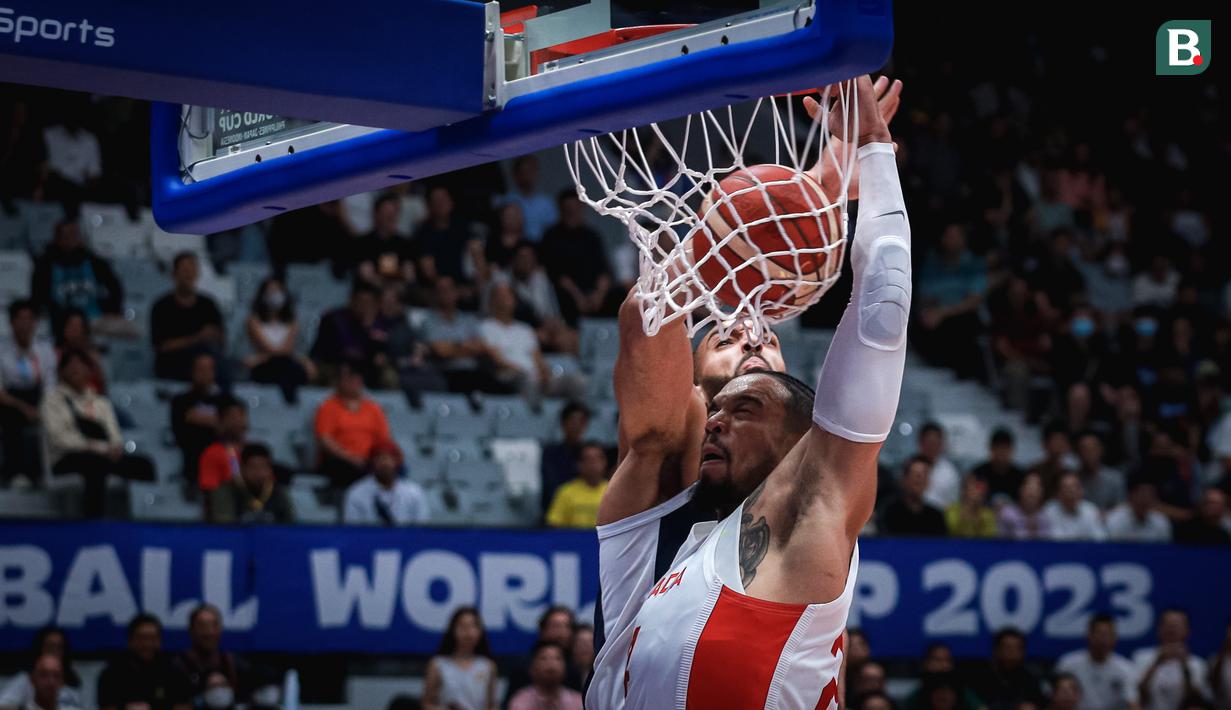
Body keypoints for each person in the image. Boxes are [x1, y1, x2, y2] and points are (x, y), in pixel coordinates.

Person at [588, 74, 907, 708]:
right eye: (726, 341)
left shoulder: (815, 490)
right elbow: (646, 321)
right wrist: (799, 204)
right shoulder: (668, 461)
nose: (751, 333)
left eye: (765, 344)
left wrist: (835, 182)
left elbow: (880, 319)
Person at [41, 349, 155, 516]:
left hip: (103, 456)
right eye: (71, 367)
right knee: (95, 466)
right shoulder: (52, 401)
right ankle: (94, 525)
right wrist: (102, 449)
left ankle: (143, 520)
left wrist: (116, 447)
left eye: (80, 367)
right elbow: (61, 440)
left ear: (89, 371)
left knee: (144, 465)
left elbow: (114, 434)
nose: (76, 371)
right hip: (66, 459)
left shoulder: (100, 402)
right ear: (62, 371)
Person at [479, 282, 585, 401]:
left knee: (577, 381)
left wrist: (544, 372)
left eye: (508, 295)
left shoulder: (525, 329)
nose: (505, 300)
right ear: (492, 301)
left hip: (535, 377)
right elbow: (495, 359)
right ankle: (533, 416)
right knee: (528, 380)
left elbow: (537, 357)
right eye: (501, 296)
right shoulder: (486, 327)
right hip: (508, 376)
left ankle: (574, 417)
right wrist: (523, 371)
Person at [29, 220, 124, 332]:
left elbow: (115, 289)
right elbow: (37, 298)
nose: (70, 240)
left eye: (74, 235)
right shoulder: (44, 266)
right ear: (57, 239)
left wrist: (112, 311)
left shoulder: (96, 263)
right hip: (59, 322)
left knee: (131, 330)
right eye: (66, 236)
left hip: (94, 318)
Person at [0, 300, 56, 486]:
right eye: (20, 319)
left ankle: (43, 473)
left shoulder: (45, 350)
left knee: (54, 413)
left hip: (38, 397)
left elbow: (49, 385)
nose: (25, 324)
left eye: (29, 319)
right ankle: (14, 471)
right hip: (11, 400)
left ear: (35, 323)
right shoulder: (2, 352)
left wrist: (42, 407)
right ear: (11, 322)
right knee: (10, 417)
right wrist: (24, 408)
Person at [539, 190, 616, 325]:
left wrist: (599, 295)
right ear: (560, 210)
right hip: (567, 294)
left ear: (581, 209)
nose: (571, 214)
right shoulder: (551, 237)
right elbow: (557, 274)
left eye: (575, 210)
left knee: (619, 294)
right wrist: (578, 297)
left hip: (593, 294)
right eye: (567, 210)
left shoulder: (592, 236)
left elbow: (604, 270)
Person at [314, 360, 393, 487]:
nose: (353, 381)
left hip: (369, 460)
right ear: (339, 381)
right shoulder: (328, 406)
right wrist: (349, 457)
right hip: (339, 460)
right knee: (352, 470)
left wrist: (380, 459)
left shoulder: (373, 408)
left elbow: (384, 439)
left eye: (356, 376)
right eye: (348, 377)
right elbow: (324, 439)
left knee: (393, 468)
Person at [421, 276, 504, 394]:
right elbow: (441, 351)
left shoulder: (469, 320)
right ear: (435, 295)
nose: (446, 294)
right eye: (441, 290)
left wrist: (453, 347)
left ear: (456, 292)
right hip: (445, 373)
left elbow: (481, 347)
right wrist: (467, 346)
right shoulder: (428, 321)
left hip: (473, 372)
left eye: (449, 289)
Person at [150, 252, 225, 382]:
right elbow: (162, 347)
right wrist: (197, 338)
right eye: (185, 270)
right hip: (174, 363)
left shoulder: (208, 305)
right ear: (174, 274)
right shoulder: (162, 307)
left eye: (192, 270)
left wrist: (212, 336)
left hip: (207, 359)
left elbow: (221, 339)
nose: (188, 275)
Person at [97, 613, 192, 710]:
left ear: (160, 641)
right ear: (130, 641)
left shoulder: (174, 671)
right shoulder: (112, 673)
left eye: (152, 638)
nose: (147, 644)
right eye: (141, 638)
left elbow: (183, 706)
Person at [245, 277, 315, 403]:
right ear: (262, 295)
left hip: (282, 362)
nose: (274, 295)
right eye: (270, 291)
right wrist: (270, 356)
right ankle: (291, 399)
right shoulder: (253, 321)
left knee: (286, 365)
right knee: (283, 365)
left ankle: (289, 398)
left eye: (278, 291)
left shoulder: (293, 322)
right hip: (265, 366)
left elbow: (286, 349)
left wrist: (266, 356)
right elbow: (270, 348)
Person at [414, 185, 486, 298]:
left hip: (465, 284)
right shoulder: (423, 233)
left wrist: (478, 282)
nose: (441, 204)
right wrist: (450, 289)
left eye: (444, 199)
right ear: (429, 206)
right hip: (438, 288)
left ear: (451, 202)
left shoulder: (463, 226)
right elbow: (428, 270)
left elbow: (477, 254)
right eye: (436, 201)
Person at [1055, 614, 1139, 710]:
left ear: (1115, 638)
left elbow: (1133, 703)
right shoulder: (1068, 664)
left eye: (1109, 635)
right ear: (1089, 635)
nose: (1104, 640)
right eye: (1101, 634)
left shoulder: (1126, 669)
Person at [1133, 610, 1212, 710]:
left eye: (1177, 625)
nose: (1172, 629)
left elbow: (1196, 702)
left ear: (1187, 630)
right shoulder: (1141, 657)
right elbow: (1137, 696)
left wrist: (1185, 667)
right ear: (1159, 629)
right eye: (1168, 625)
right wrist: (1156, 662)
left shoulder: (1197, 664)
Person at [422, 607, 497, 710]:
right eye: (463, 626)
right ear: (453, 630)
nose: (468, 632)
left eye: (473, 626)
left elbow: (491, 705)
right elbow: (426, 704)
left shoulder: (488, 666)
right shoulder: (438, 665)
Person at [172, 604, 251, 702]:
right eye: (202, 626)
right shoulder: (178, 667)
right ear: (191, 630)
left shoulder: (235, 665)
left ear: (221, 629)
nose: (209, 632)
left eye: (214, 625)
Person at [342, 440, 431, 525]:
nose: (384, 463)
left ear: (397, 462)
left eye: (389, 458)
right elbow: (353, 531)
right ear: (372, 462)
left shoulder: (414, 492)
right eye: (379, 458)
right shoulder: (356, 492)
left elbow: (422, 530)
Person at [170, 352, 225, 486]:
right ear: (192, 372)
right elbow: (180, 428)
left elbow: (230, 426)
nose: (205, 373)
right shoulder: (180, 401)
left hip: (220, 453)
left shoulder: (225, 400)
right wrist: (214, 421)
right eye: (201, 369)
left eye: (209, 369)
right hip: (192, 454)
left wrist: (197, 418)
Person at [505, 606, 580, 704]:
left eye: (566, 626)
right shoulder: (522, 668)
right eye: (556, 626)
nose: (562, 632)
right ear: (543, 630)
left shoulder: (575, 669)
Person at [310, 281, 379, 385]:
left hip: (362, 368)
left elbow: (373, 354)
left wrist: (367, 330)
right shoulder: (332, 318)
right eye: (362, 301)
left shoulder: (375, 323)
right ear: (352, 300)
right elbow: (322, 350)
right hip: (333, 365)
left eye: (368, 303)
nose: (364, 306)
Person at [0, 627, 83, 710]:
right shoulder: (25, 679)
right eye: (50, 646)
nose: (54, 651)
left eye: (59, 647)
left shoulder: (73, 683)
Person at [208, 444, 294, 524]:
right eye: (254, 468)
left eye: (264, 467)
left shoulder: (279, 492)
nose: (259, 474)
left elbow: (291, 526)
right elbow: (224, 527)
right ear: (242, 469)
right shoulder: (225, 491)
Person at [969, 628, 1046, 710]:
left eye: (1018, 649)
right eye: (1008, 649)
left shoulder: (1030, 680)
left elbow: (1042, 703)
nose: (1013, 654)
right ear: (996, 650)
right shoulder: (980, 677)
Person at [196, 397, 248, 513]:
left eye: (241, 415)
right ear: (220, 421)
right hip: (226, 507)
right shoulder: (212, 453)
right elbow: (210, 490)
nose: (238, 421)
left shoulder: (255, 452)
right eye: (232, 417)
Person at [540, 402, 591, 517]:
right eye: (573, 421)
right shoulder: (551, 453)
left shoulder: (591, 452)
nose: (576, 426)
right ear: (563, 423)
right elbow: (551, 488)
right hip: (559, 510)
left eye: (581, 422)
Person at [356, 193, 417, 288]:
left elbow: (409, 276)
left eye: (394, 213)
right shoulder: (363, 243)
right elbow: (366, 276)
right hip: (372, 293)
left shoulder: (405, 243)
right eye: (386, 213)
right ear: (376, 214)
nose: (391, 217)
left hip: (399, 293)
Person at [545, 443, 609, 529]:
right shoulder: (566, 491)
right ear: (579, 464)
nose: (593, 464)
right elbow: (554, 524)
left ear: (605, 462)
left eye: (597, 459)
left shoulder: (613, 491)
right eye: (588, 459)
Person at [881, 456, 949, 536]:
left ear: (928, 482)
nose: (919, 479)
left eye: (924, 475)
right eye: (915, 475)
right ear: (904, 479)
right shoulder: (888, 512)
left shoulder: (936, 517)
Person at [508, 642, 583, 710]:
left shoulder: (578, 702)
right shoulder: (521, 701)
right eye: (544, 658)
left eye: (557, 658)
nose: (551, 664)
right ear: (533, 668)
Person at [503, 155, 558, 243]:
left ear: (537, 172)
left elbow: (554, 229)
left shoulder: (547, 202)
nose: (527, 176)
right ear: (515, 174)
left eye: (530, 171)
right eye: (523, 172)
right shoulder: (507, 201)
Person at [1042, 471, 1108, 541]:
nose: (1073, 492)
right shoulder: (1049, 512)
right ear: (1058, 493)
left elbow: (1101, 540)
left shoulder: (1090, 510)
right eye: (1067, 489)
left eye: (1076, 487)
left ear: (1082, 491)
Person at [54, 309, 106, 394]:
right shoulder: (55, 355)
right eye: (72, 326)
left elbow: (101, 387)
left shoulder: (92, 357)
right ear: (64, 329)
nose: (76, 330)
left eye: (79, 326)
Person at [1105, 477, 1171, 543]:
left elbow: (1165, 550)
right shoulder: (1115, 520)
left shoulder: (1161, 521)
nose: (1145, 500)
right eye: (1142, 495)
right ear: (1130, 497)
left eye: (1149, 496)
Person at [972, 427, 1025, 504]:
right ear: (990, 448)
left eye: (1005, 448)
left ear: (1012, 449)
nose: (1001, 453)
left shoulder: (1021, 476)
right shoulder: (979, 474)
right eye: (998, 448)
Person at [1076, 432, 1126, 511]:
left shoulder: (1115, 477)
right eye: (1084, 449)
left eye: (1092, 449)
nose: (1088, 453)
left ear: (1100, 450)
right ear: (1078, 453)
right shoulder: (1073, 478)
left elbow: (1121, 506)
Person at [919, 422, 963, 509]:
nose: (931, 448)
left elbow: (954, 503)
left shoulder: (950, 473)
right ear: (921, 443)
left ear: (942, 444)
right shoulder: (910, 467)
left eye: (935, 443)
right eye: (929, 443)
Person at [998, 471, 1051, 539]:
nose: (1032, 493)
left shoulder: (1047, 515)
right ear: (1020, 490)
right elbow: (1000, 544)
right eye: (1029, 488)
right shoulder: (1007, 514)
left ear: (1042, 492)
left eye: (1036, 489)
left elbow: (1048, 544)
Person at [945, 472, 998, 538]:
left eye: (979, 488)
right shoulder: (952, 509)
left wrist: (977, 514)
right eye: (972, 487)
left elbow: (989, 536)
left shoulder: (988, 514)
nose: (975, 492)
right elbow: (952, 530)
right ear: (963, 490)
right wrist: (966, 511)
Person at [571, 625, 595, 692]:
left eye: (590, 642)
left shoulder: (602, 673)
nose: (585, 646)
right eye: (581, 642)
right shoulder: (564, 674)